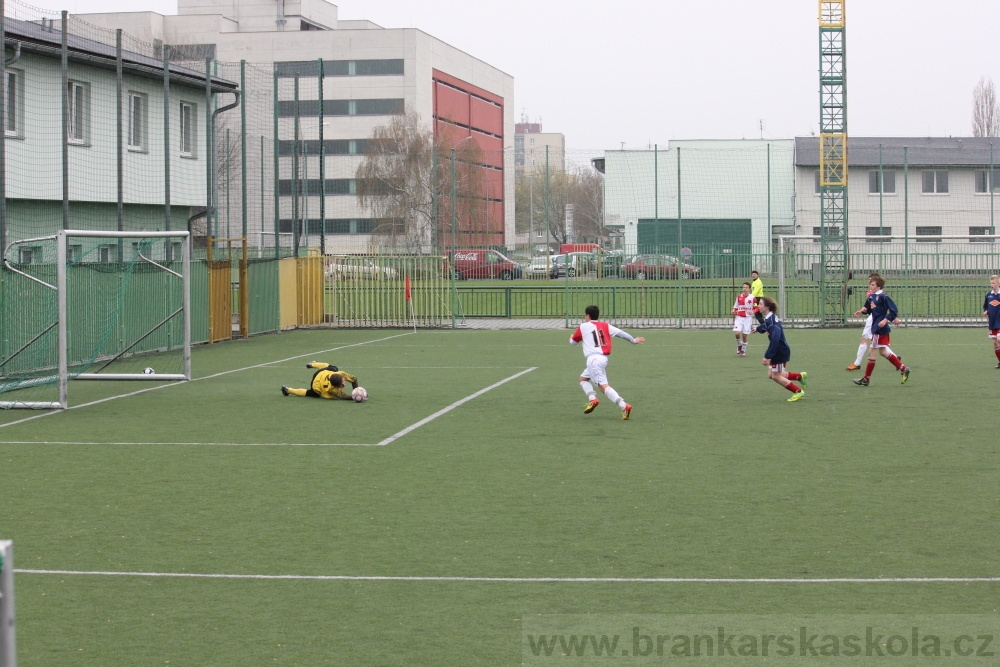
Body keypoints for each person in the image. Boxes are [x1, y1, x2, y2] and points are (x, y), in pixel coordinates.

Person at [570, 304, 644, 420]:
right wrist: (633, 340)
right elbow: (621, 333)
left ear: (587, 316)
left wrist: (571, 337)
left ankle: (624, 406)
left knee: (603, 387)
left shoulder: (583, 326)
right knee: (583, 379)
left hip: (593, 360)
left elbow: (573, 342)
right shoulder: (606, 325)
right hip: (603, 359)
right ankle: (592, 399)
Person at [851, 275, 910, 387]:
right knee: (882, 351)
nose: (870, 286)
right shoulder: (872, 296)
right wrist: (862, 311)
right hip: (876, 327)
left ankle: (866, 379)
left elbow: (894, 311)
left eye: (872, 284)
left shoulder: (884, 296)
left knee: (872, 352)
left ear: (878, 286)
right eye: (870, 284)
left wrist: (885, 319)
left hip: (879, 328)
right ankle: (903, 368)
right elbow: (869, 309)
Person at [755, 296, 807, 402]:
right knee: (772, 375)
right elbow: (766, 326)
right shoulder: (770, 318)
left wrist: (767, 356)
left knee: (775, 376)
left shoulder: (773, 322)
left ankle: (798, 391)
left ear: (767, 307)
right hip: (779, 351)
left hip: (780, 352)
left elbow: (775, 339)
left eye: (760, 304)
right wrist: (757, 328)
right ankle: (799, 376)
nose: (758, 306)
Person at [846, 272, 900, 371]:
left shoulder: (881, 295)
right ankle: (896, 359)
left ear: (877, 284)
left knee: (867, 341)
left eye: (871, 281)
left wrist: (892, 317)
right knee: (879, 346)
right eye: (869, 281)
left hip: (875, 319)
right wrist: (862, 311)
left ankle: (857, 364)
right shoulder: (872, 293)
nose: (869, 282)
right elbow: (868, 306)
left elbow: (884, 307)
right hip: (873, 317)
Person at [281, 361, 359, 400]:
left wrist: (357, 390)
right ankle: (288, 390)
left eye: (343, 382)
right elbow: (345, 397)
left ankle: (312, 364)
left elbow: (354, 379)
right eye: (341, 385)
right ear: (335, 386)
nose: (343, 384)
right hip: (316, 384)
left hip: (322, 373)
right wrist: (357, 396)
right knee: (312, 394)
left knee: (334, 368)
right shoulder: (332, 390)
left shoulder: (341, 374)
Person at [731, 282, 755, 356]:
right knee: (737, 333)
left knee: (744, 335)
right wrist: (733, 310)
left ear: (749, 289)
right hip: (739, 317)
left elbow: (756, 307)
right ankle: (739, 344)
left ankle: (743, 349)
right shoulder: (739, 297)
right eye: (743, 287)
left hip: (748, 318)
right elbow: (736, 306)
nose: (744, 289)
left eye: (746, 287)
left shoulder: (752, 298)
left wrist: (753, 311)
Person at [983, 274, 1000, 369]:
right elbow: (986, 306)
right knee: (995, 343)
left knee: (999, 339)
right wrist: (986, 311)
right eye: (991, 283)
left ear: (998, 284)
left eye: (993, 283)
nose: (991, 285)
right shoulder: (989, 295)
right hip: (992, 322)